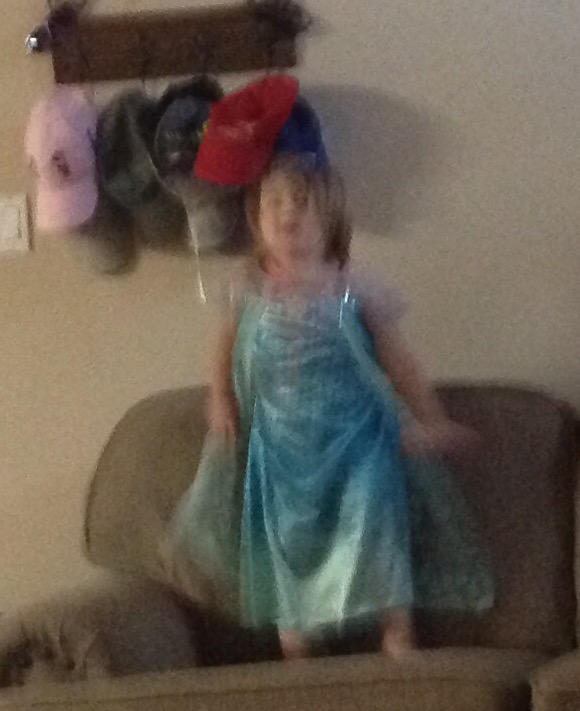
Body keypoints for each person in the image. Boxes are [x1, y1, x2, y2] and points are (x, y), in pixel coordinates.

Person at [173, 152, 493, 662]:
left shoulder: (353, 285)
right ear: (257, 219)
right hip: (280, 445)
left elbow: (398, 360)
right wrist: (220, 398)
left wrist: (430, 419)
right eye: (274, 204)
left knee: (377, 523)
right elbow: (224, 349)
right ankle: (298, 649)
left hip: (358, 437)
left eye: (302, 204)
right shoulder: (248, 287)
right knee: (286, 540)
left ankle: (398, 634)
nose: (287, 214)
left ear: (332, 219)